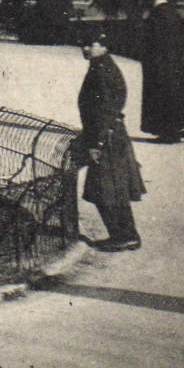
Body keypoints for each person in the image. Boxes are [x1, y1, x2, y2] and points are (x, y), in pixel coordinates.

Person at [76, 33, 145, 250]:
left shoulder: (102, 70)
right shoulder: (100, 66)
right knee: (111, 189)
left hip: (107, 137)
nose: (85, 49)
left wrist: (96, 144)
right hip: (109, 134)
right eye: (83, 45)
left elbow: (105, 109)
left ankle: (125, 236)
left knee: (107, 189)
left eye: (90, 44)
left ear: (104, 46)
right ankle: (124, 235)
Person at [137, 0, 184, 144]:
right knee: (172, 95)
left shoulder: (158, 15)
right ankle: (173, 131)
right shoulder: (172, 12)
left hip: (160, 63)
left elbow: (156, 43)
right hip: (174, 62)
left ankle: (167, 133)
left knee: (162, 96)